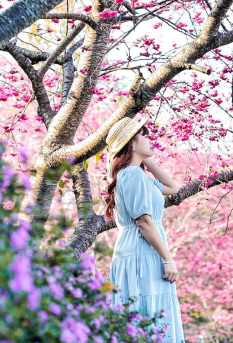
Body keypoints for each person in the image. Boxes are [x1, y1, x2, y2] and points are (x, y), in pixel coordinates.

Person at [103, 116, 185, 343]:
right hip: (142, 249)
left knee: (149, 311)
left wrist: (145, 160)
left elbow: (172, 187)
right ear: (131, 143)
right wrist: (168, 259)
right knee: (146, 310)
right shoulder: (131, 174)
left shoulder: (139, 175)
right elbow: (144, 221)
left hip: (144, 249)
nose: (149, 139)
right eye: (144, 135)